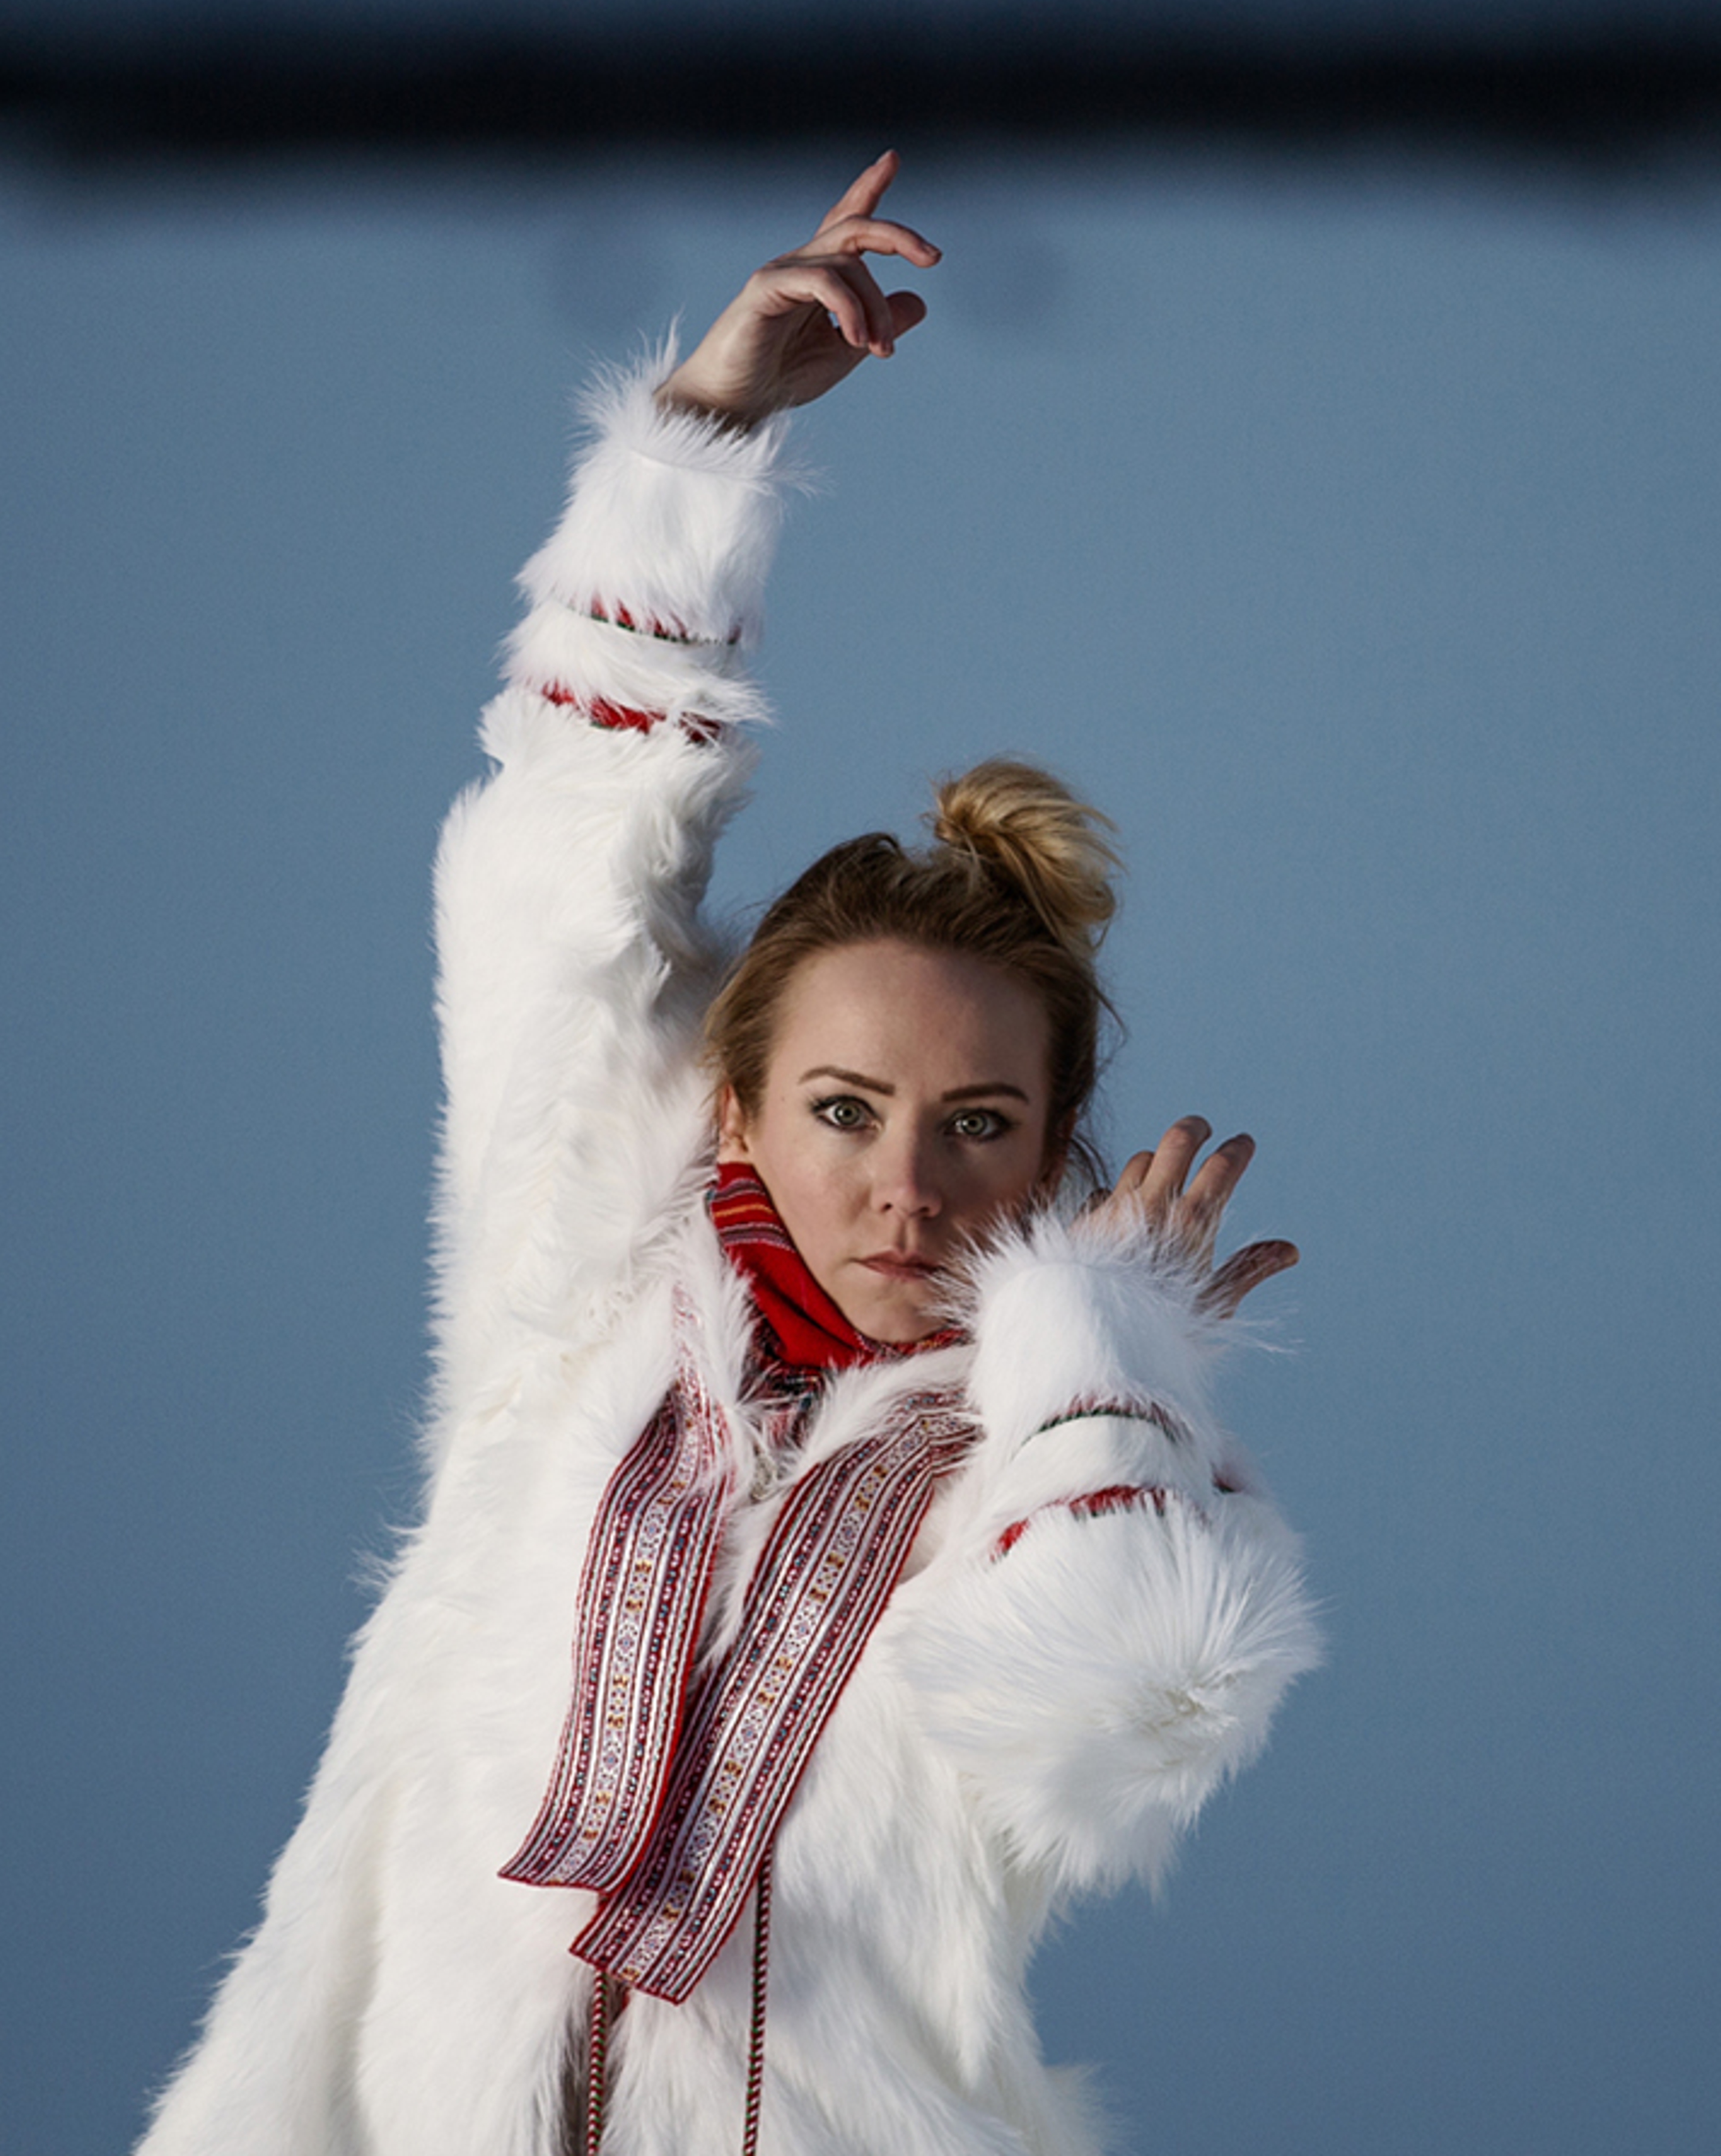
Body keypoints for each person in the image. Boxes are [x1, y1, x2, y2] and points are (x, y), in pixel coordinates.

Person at [136, 154, 1319, 2156]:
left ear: (1054, 1157)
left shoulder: (1057, 1459)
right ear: (736, 1108)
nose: (906, 1185)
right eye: (844, 1108)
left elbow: (1139, 1715)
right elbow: (556, 868)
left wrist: (1110, 1348)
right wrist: (699, 443)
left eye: (979, 1126)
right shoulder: (588, 1290)